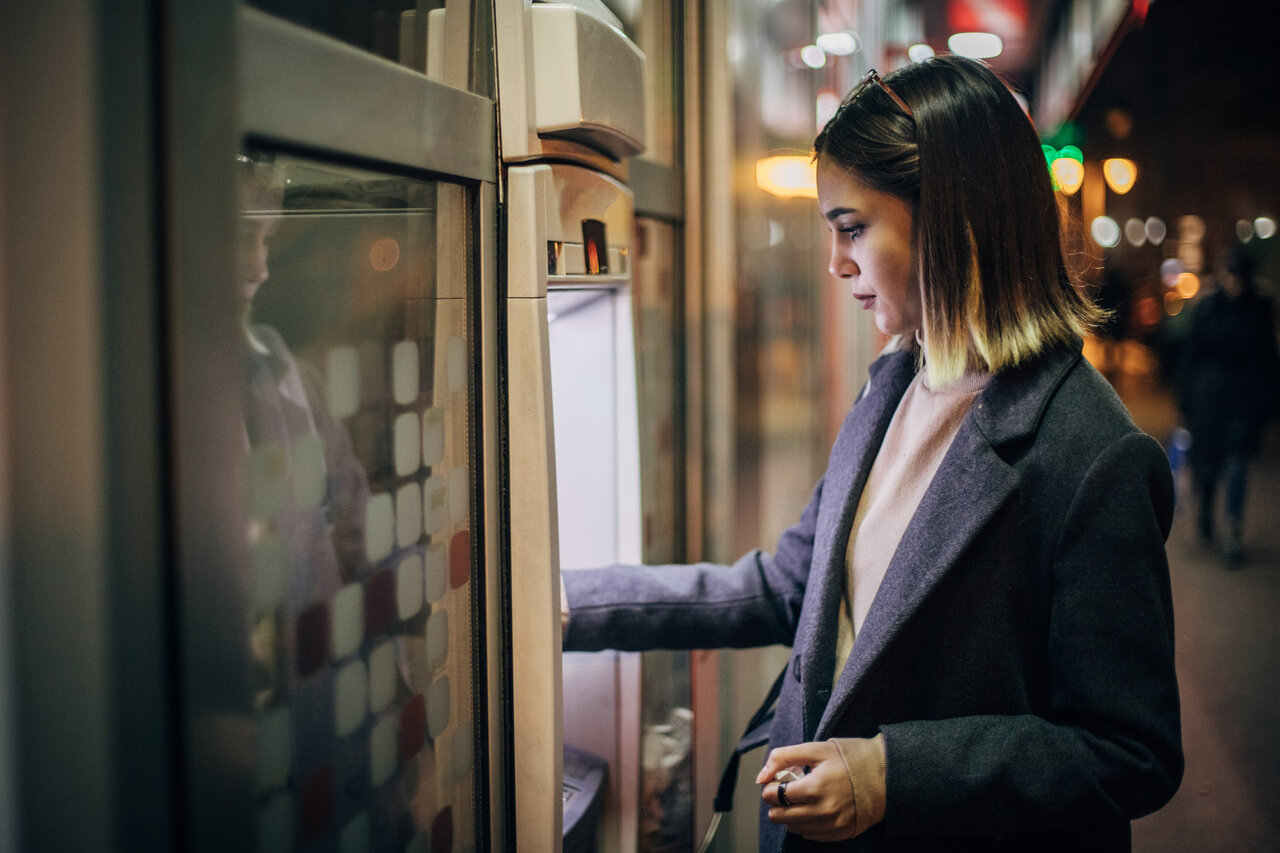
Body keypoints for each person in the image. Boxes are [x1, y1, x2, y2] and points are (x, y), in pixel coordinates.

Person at [561, 54, 1182, 852]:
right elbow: (791, 585)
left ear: (958, 220)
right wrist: (572, 602)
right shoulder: (893, 382)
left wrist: (891, 772)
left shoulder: (1091, 451)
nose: (835, 263)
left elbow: (1131, 750)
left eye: (852, 228)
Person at [1177, 246, 1280, 565]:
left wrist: (1270, 405)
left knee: (1237, 464)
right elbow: (1191, 358)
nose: (1235, 283)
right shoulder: (1208, 307)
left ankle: (1232, 529)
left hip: (1243, 402)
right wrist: (1186, 403)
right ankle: (1207, 515)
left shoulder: (1259, 309)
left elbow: (1269, 359)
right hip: (1209, 402)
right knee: (1209, 465)